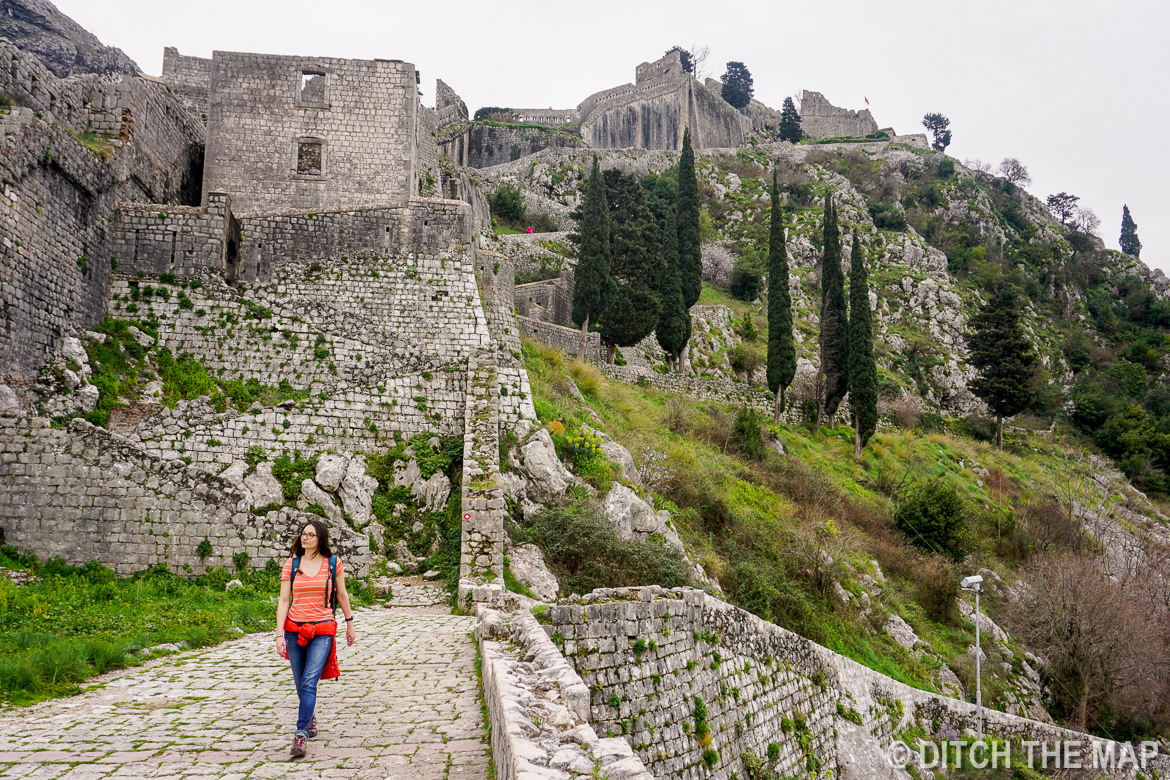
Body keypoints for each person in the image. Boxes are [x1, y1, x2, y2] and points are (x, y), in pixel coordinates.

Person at [275, 519, 356, 757]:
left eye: (310, 534)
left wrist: (349, 624)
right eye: (303, 534)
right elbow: (283, 601)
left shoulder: (332, 563)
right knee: (301, 683)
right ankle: (309, 717)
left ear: (320, 539)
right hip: (293, 630)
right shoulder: (292, 564)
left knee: (310, 681)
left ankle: (300, 735)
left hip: (322, 630)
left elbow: (341, 595)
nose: (305, 538)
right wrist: (279, 634)